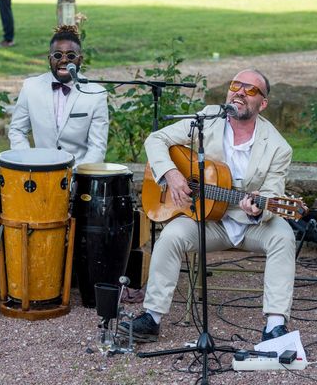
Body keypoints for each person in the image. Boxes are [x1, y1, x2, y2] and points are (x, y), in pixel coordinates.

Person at [118, 69, 296, 343]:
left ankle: (274, 325)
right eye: (236, 85)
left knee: (284, 236)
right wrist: (171, 175)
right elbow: (156, 139)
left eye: (250, 89)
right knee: (171, 236)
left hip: (250, 225)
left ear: (263, 103)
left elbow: (274, 194)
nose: (239, 92)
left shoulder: (277, 147)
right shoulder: (207, 120)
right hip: (208, 220)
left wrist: (260, 207)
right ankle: (151, 318)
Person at [8, 25, 108, 164]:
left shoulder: (96, 94)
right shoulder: (31, 88)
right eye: (58, 55)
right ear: (50, 59)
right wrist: (29, 162)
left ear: (80, 60)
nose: (64, 60)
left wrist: (78, 176)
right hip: (40, 173)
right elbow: (17, 131)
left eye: (71, 55)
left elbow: (97, 147)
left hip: (80, 176)